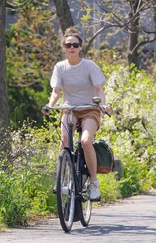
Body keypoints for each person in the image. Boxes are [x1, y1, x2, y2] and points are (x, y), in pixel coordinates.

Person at [43, 27, 110, 201]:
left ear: (80, 47)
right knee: (64, 138)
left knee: (86, 141)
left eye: (75, 44)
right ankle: (62, 178)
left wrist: (103, 105)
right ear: (63, 47)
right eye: (68, 45)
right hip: (70, 108)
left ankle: (94, 183)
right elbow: (56, 91)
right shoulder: (60, 67)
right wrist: (50, 106)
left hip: (89, 109)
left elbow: (98, 89)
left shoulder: (89, 66)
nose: (71, 47)